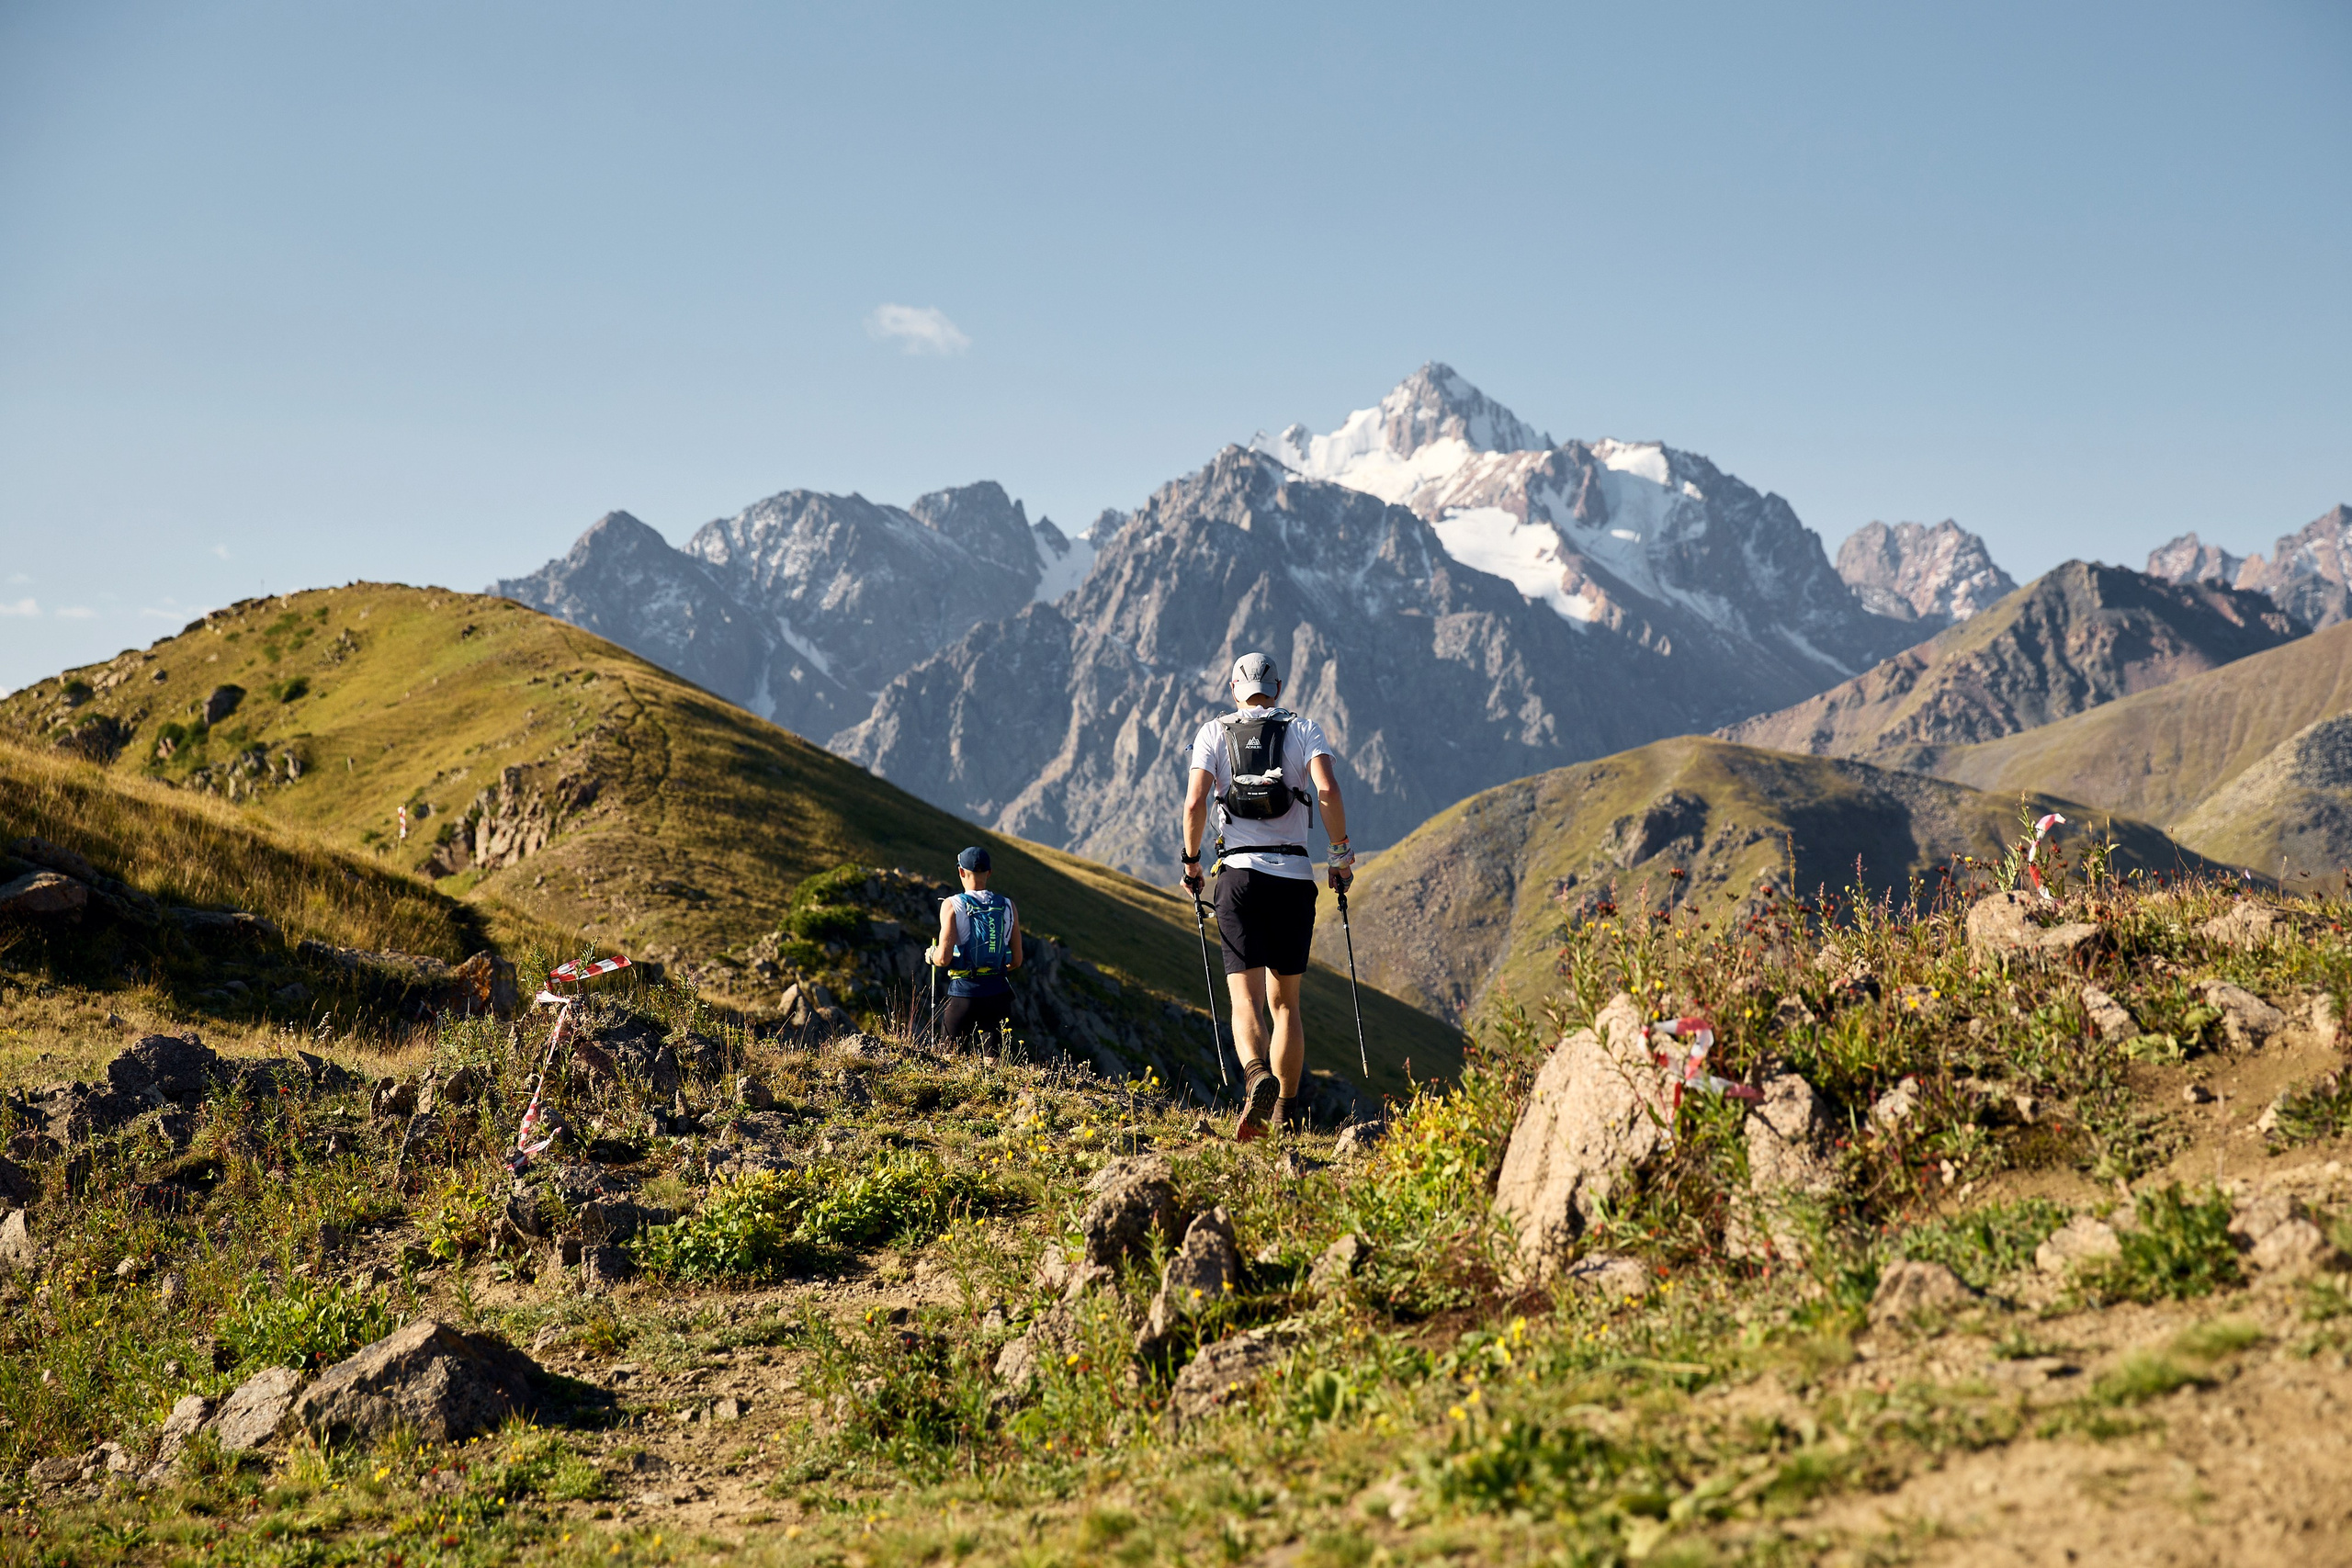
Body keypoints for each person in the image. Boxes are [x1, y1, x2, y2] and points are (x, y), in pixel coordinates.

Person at [1181, 651, 1353, 1141]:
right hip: (1294, 877)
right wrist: (1338, 856)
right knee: (1285, 1006)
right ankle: (1287, 1112)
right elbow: (1328, 792)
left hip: (1238, 877)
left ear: (1234, 689)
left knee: (1246, 1002)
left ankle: (1255, 1075)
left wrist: (1191, 862)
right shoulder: (1304, 729)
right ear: (1277, 688)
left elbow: (1195, 802)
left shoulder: (1213, 732)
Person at [927, 845, 1023, 1044]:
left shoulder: (953, 904)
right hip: (998, 995)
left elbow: (944, 958)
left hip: (965, 994)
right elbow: (1017, 960)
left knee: (951, 1061)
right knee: (995, 1063)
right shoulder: (1007, 905)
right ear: (989, 872)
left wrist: (931, 955)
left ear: (961, 871)